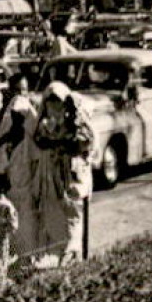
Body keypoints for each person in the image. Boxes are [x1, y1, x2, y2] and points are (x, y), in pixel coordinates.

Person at [25, 81, 95, 265]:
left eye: (57, 102)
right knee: (51, 221)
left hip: (69, 180)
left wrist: (62, 142)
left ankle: (71, 257)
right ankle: (54, 260)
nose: (53, 106)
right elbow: (39, 141)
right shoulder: (45, 124)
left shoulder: (78, 124)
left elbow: (84, 145)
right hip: (50, 178)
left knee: (70, 222)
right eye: (50, 102)